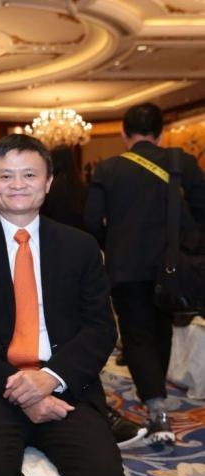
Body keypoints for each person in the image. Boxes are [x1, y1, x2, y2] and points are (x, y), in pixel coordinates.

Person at [0, 134, 129, 476]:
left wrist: (49, 379)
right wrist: (23, 391)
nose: (17, 185)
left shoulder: (81, 247)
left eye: (29, 175)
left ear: (47, 182)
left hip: (66, 385)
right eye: (5, 176)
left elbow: (100, 329)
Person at [85, 102, 205, 443]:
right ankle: (157, 396)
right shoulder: (183, 163)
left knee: (137, 336)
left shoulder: (108, 168)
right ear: (161, 133)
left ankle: (157, 409)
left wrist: (113, 243)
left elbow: (92, 220)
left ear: (124, 134)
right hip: (173, 266)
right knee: (162, 330)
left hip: (126, 267)